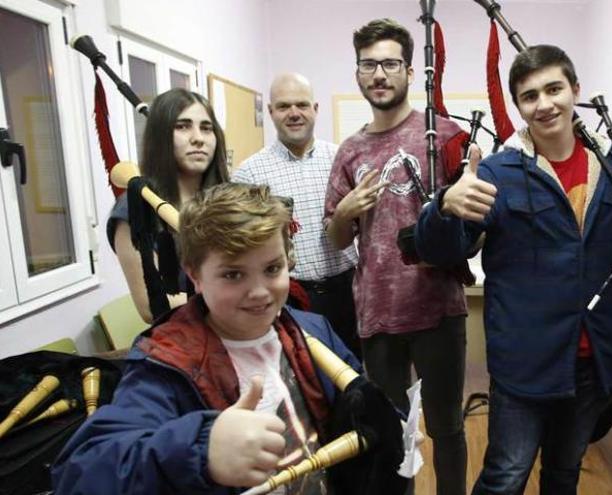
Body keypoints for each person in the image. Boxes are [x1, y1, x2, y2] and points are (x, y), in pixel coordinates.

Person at [416, 44, 612, 494]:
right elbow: (440, 251)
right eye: (530, 96)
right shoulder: (497, 173)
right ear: (519, 108)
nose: (545, 103)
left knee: (565, 470)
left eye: (554, 89)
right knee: (505, 475)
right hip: (525, 362)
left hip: (595, 359)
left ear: (575, 91)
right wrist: (445, 207)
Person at [52, 182, 362, 494]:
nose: (259, 292)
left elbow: (358, 403)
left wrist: (383, 421)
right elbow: (80, 474)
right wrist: (200, 450)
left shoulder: (313, 331)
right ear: (195, 276)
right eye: (233, 274)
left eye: (272, 268)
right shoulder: (166, 364)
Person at [323, 18, 468, 495]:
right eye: (369, 64)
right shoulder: (349, 151)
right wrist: (345, 212)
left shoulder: (443, 135)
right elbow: (337, 238)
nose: (379, 74)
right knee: (392, 433)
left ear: (408, 70)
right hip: (377, 315)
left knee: (447, 428)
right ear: (358, 73)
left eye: (389, 63)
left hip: (438, 310)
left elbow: (476, 227)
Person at [234, 73, 360, 359]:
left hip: (349, 291)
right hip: (292, 297)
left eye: (302, 105)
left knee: (355, 375)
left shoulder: (342, 159)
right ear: (270, 112)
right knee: (305, 377)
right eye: (283, 106)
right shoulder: (249, 173)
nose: (294, 114)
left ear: (315, 109)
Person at [107, 88, 228, 323]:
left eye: (206, 128)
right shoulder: (134, 210)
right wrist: (233, 297)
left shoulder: (228, 197)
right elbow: (150, 306)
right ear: (160, 137)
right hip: (184, 339)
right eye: (182, 126)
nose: (198, 138)